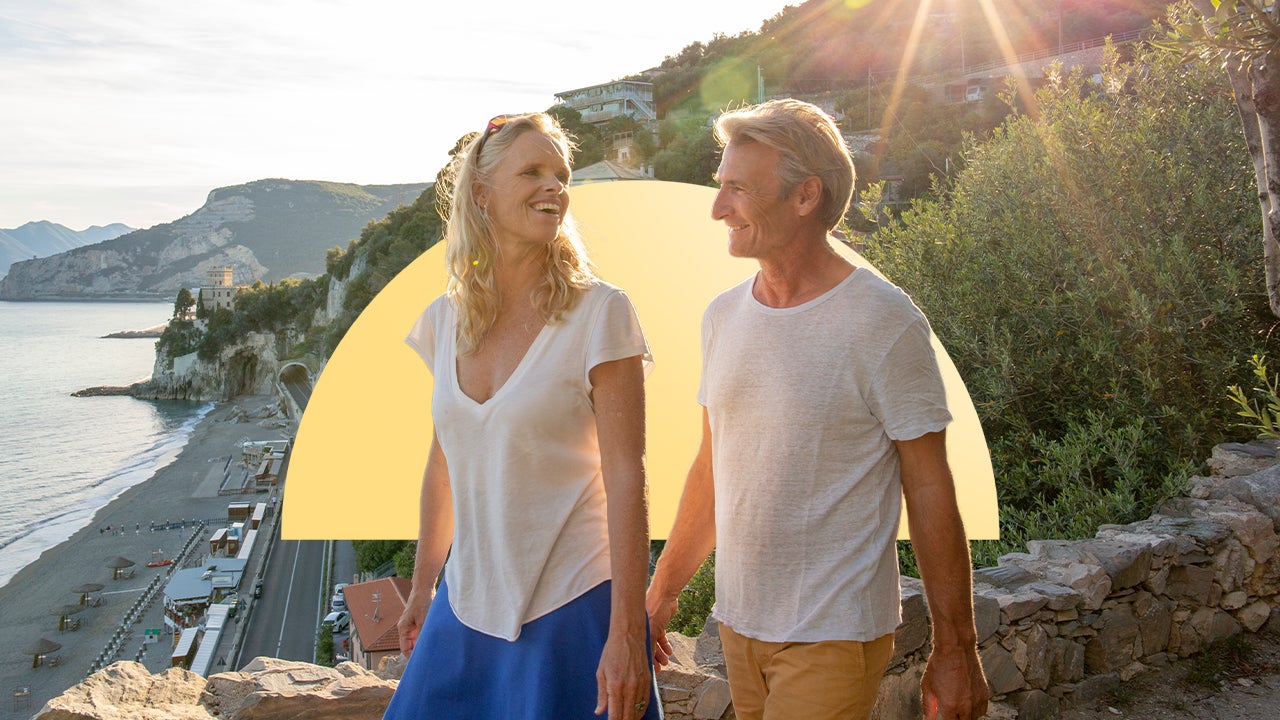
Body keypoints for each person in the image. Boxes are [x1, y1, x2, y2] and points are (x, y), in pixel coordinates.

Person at [645, 99, 990, 720]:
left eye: (737, 190)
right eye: (720, 186)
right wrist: (663, 591)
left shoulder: (883, 321)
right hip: (739, 625)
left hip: (834, 629)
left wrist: (957, 648)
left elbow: (932, 488)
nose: (718, 208)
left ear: (806, 196)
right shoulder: (723, 316)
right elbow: (714, 467)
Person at [381, 112, 661, 720]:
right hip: (464, 603)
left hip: (575, 603)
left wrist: (626, 631)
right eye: (531, 171)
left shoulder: (601, 313)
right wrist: (425, 583)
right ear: (481, 195)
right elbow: (445, 461)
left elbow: (627, 477)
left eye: (560, 174)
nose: (554, 186)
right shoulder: (442, 320)